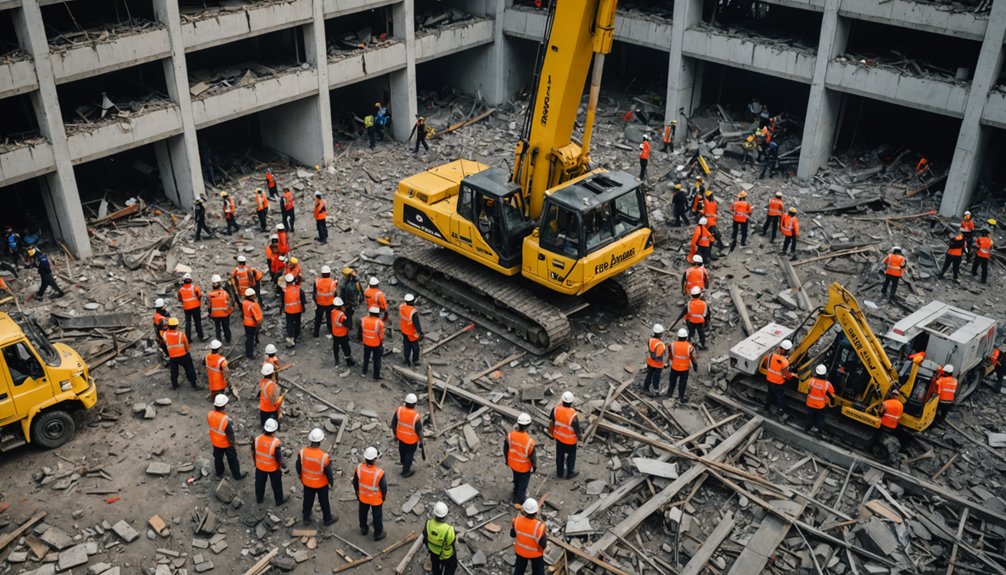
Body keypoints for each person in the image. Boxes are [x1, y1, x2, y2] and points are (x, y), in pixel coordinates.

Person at [298, 428, 336, 526]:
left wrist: (300, 476)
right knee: (324, 502)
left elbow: (298, 465)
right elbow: (328, 472)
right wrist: (331, 482)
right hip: (321, 484)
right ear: (320, 441)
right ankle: (327, 519)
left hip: (307, 482)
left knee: (307, 500)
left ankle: (306, 518)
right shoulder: (324, 456)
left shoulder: (302, 452)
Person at [354, 446, 387, 540]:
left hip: (363, 497)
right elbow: (384, 487)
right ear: (375, 459)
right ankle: (378, 533)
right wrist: (383, 496)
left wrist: (357, 492)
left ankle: (363, 528)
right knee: (377, 516)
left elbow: (355, 482)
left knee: (362, 513)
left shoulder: (359, 468)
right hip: (375, 499)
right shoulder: (379, 473)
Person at [504, 413, 537, 506]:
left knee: (516, 478)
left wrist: (507, 460)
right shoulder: (529, 441)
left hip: (513, 464)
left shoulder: (510, 436)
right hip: (524, 467)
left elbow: (505, 449)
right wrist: (534, 467)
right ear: (529, 426)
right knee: (523, 484)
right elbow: (533, 457)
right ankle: (518, 500)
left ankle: (515, 490)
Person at [208, 394, 244, 480]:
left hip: (215, 442)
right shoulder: (226, 420)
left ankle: (219, 473)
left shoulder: (210, 414)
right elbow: (230, 434)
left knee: (218, 458)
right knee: (232, 459)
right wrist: (234, 443)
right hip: (226, 443)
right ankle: (237, 475)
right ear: (223, 406)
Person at [253, 418, 285, 506]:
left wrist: (255, 462)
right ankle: (279, 500)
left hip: (260, 467)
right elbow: (280, 458)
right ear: (274, 430)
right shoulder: (275, 443)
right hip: (273, 469)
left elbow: (253, 452)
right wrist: (282, 467)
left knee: (259, 484)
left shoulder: (257, 439)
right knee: (277, 486)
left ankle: (259, 498)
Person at [548, 392, 580, 479]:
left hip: (559, 438)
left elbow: (551, 421)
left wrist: (552, 433)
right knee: (571, 456)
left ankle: (559, 473)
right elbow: (576, 428)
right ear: (571, 402)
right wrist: (580, 436)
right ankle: (570, 473)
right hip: (570, 441)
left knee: (560, 456)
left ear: (562, 400)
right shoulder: (573, 414)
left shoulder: (555, 410)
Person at [511, 498, 547, 575]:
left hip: (520, 552)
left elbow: (512, 534)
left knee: (519, 570)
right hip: (535, 554)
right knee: (538, 571)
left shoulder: (516, 520)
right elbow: (543, 544)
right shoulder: (540, 527)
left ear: (523, 510)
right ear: (536, 512)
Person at [391, 393, 424, 477]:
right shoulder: (415, 416)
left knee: (402, 450)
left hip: (401, 436)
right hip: (411, 440)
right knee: (409, 454)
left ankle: (403, 461)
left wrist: (395, 434)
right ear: (414, 404)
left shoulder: (399, 410)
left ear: (406, 402)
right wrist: (421, 441)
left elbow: (393, 424)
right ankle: (405, 471)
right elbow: (419, 431)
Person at [424, 502, 458, 575]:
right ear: (446, 516)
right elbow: (451, 542)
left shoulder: (428, 523)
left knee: (435, 567)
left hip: (433, 552)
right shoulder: (449, 529)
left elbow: (425, 536)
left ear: (434, 514)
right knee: (452, 565)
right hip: (445, 555)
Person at [164, 318, 198, 390]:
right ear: (176, 326)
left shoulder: (165, 335)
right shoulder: (181, 334)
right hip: (183, 355)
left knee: (174, 371)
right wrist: (187, 351)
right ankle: (193, 383)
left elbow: (165, 343)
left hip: (173, 357)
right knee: (189, 369)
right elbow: (186, 344)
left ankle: (175, 385)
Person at [667, 328, 698, 402]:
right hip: (684, 369)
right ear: (686, 337)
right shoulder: (690, 347)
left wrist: (671, 360)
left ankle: (669, 395)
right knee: (682, 384)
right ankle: (681, 398)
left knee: (672, 382)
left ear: (678, 337)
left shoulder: (672, 345)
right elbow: (693, 358)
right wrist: (695, 366)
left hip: (674, 367)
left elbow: (670, 354)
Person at [804, 364, 835, 434]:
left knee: (809, 417)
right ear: (825, 374)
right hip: (820, 406)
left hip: (810, 403)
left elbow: (808, 389)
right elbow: (832, 395)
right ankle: (817, 430)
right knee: (820, 418)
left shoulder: (812, 381)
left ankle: (807, 429)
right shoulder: (827, 384)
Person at [765, 340, 792, 416]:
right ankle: (780, 413)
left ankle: (766, 408)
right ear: (785, 350)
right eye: (788, 350)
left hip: (769, 380)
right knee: (780, 398)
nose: (789, 352)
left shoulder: (771, 356)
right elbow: (786, 375)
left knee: (769, 394)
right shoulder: (785, 362)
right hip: (777, 383)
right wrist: (791, 375)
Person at [177, 273, 205, 342]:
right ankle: (200, 336)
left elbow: (179, 299)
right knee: (198, 322)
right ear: (191, 280)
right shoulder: (195, 288)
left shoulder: (180, 290)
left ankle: (188, 339)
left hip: (187, 308)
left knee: (188, 323)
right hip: (196, 307)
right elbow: (199, 296)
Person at [360, 306, 385, 380]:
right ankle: (376, 375)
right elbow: (381, 336)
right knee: (377, 360)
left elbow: (361, 330)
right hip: (376, 344)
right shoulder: (379, 323)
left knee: (366, 358)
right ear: (378, 313)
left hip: (366, 343)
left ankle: (364, 372)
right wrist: (381, 342)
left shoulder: (364, 319)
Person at [207, 275, 233, 344]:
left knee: (217, 328)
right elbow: (230, 302)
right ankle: (228, 339)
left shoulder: (210, 294)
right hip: (225, 314)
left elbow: (209, 306)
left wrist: (210, 313)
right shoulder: (224, 293)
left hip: (215, 315)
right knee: (226, 327)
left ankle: (218, 341)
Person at [311, 266, 337, 338]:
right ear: (329, 273)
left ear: (322, 273)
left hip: (320, 304)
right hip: (330, 304)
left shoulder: (317, 281)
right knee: (329, 318)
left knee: (318, 319)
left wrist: (316, 302)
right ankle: (331, 331)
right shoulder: (333, 282)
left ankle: (316, 333)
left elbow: (314, 294)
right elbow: (335, 294)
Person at [330, 298, 356, 367]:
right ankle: (349, 361)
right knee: (346, 348)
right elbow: (347, 324)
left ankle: (336, 361)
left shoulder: (333, 312)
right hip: (342, 335)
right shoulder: (342, 315)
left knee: (336, 348)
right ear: (340, 306)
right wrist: (349, 315)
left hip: (335, 334)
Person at [400, 294, 424, 367]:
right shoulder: (413, 312)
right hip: (411, 333)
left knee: (406, 346)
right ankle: (415, 360)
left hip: (404, 331)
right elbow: (417, 324)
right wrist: (420, 332)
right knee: (415, 348)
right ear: (412, 302)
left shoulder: (401, 307)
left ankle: (406, 360)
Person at [643, 324, 667, 394]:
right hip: (657, 364)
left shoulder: (650, 340)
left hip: (650, 362)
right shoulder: (660, 344)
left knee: (649, 375)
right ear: (660, 334)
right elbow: (659, 354)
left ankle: (645, 388)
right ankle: (655, 390)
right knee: (656, 377)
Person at [283, 274, 306, 345]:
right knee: (297, 323)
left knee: (289, 324)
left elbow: (282, 301)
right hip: (298, 310)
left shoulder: (284, 290)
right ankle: (297, 335)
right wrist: (303, 307)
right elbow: (303, 299)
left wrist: (281, 309)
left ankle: (290, 336)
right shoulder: (298, 289)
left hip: (289, 311)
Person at [340, 267, 364, 334]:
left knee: (348, 315)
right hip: (348, 303)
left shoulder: (346, 281)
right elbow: (346, 296)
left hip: (348, 302)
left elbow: (358, 279)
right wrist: (345, 305)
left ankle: (347, 326)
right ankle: (348, 328)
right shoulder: (348, 286)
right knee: (348, 316)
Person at [258, 362, 283, 428]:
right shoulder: (272, 386)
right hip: (270, 411)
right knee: (273, 426)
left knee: (264, 425)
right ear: (272, 373)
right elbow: (276, 401)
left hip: (263, 409)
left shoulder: (262, 382)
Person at [242, 288, 263, 359]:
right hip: (252, 324)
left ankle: (247, 350)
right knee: (251, 338)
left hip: (246, 323)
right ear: (251, 296)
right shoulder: (254, 305)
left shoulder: (244, 302)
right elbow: (256, 316)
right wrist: (259, 324)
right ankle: (250, 354)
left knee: (248, 337)